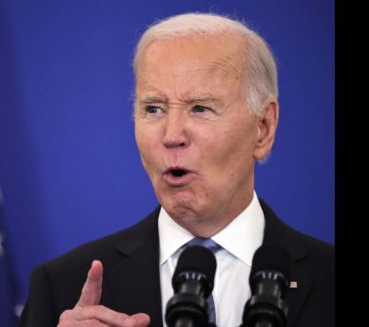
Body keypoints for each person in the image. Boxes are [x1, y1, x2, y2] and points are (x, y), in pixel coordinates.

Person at [18, 12, 334, 327]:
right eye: (153, 108)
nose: (171, 136)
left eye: (200, 108)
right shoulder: (61, 288)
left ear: (263, 128)